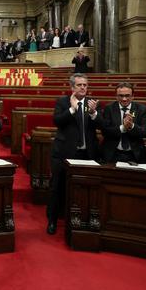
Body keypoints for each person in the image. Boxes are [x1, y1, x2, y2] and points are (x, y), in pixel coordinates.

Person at [48, 73, 101, 235]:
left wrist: (93, 113)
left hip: (87, 153)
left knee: (86, 188)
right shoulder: (63, 102)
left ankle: (84, 220)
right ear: (72, 87)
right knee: (57, 187)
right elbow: (57, 121)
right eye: (79, 85)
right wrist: (72, 109)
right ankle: (52, 221)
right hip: (64, 153)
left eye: (85, 85)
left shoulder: (92, 103)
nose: (83, 87)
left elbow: (103, 125)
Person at [99, 83, 146, 163]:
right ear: (116, 96)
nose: (124, 99)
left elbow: (145, 132)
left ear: (133, 96)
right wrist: (123, 127)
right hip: (113, 153)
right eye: (121, 96)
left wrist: (131, 126)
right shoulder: (109, 108)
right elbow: (105, 131)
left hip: (134, 154)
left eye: (127, 95)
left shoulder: (141, 109)